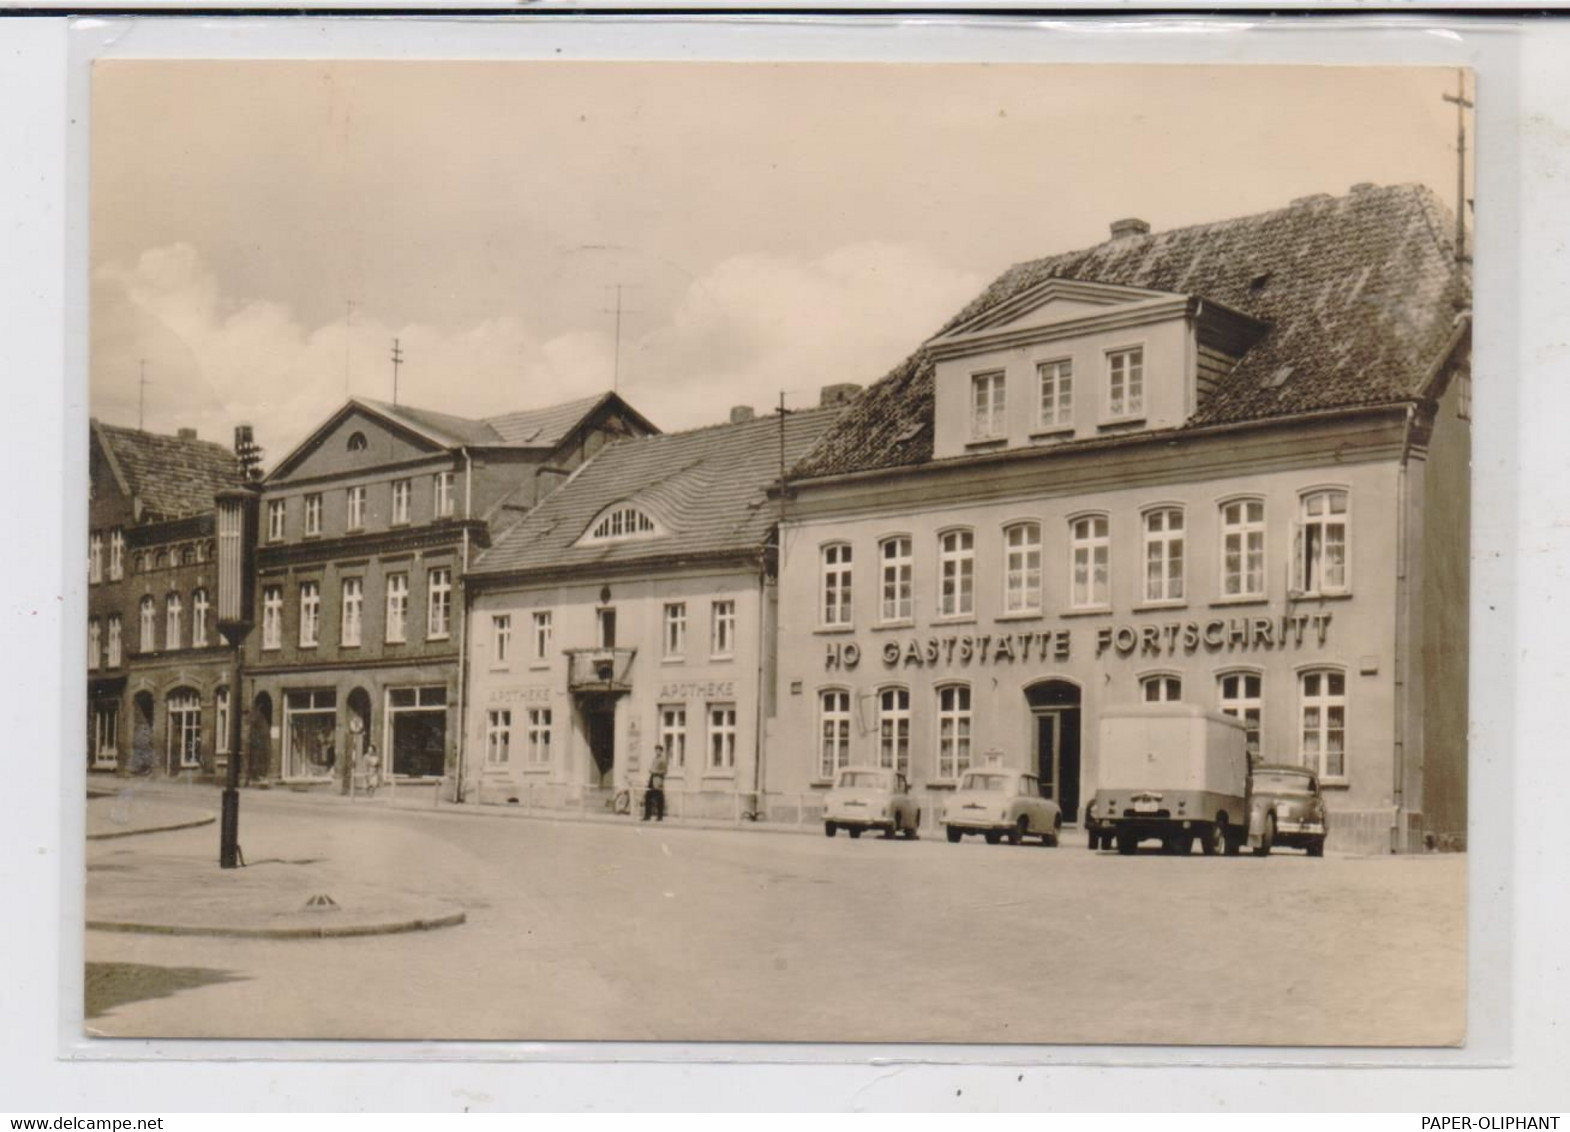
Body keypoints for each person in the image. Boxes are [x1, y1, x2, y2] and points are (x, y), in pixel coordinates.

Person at [641, 745, 668, 822]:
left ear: (661, 751)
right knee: (647, 797)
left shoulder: (663, 760)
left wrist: (655, 772)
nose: (657, 752)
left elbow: (665, 771)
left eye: (659, 750)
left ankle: (660, 817)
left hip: (658, 781)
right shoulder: (654, 759)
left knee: (659, 799)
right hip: (652, 779)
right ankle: (647, 816)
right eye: (656, 750)